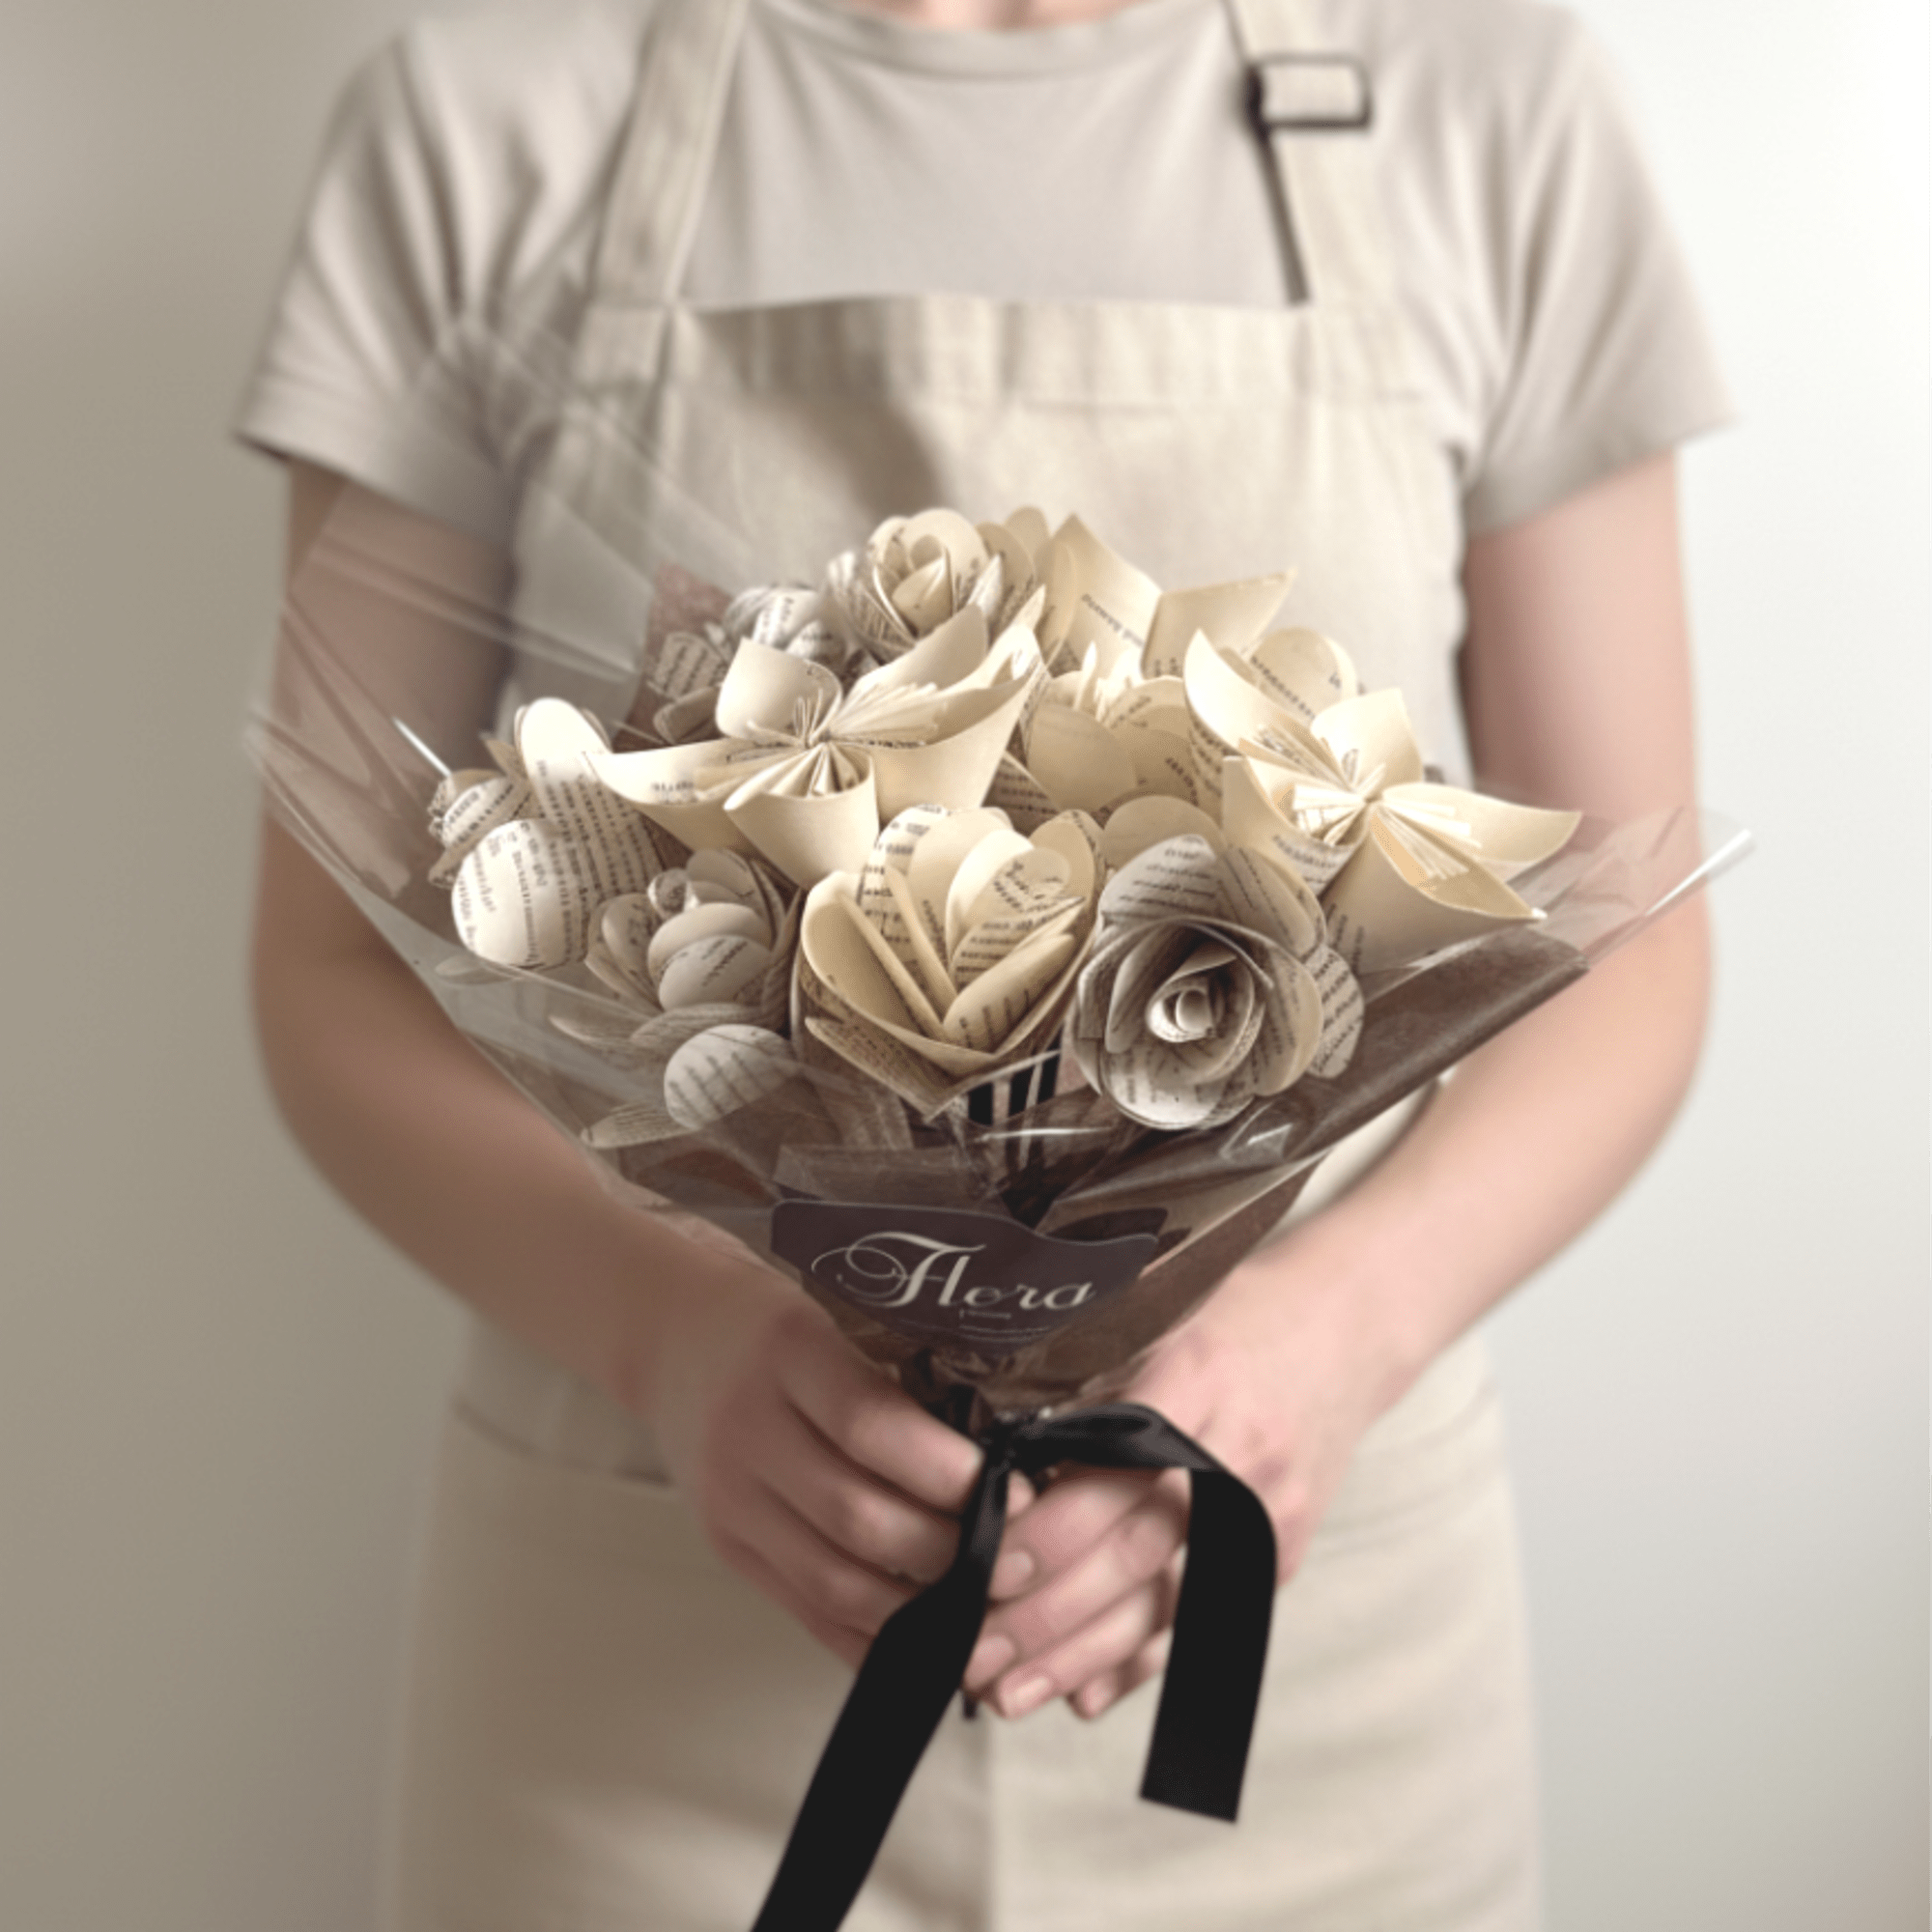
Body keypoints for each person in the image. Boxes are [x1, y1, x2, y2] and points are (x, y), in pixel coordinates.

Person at [240, 0, 1728, 1924]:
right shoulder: (487, 123)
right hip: (652, 1662)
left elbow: (1631, 939)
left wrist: (1325, 1342)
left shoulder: (1484, 101)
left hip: (1302, 1643)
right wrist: (669, 1338)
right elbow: (335, 967)